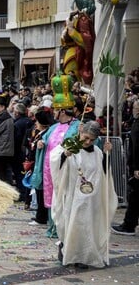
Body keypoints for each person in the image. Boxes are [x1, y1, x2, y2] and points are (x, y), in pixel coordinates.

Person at [50, 121, 117, 268]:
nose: (87, 142)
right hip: (72, 194)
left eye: (92, 140)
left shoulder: (97, 153)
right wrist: (64, 155)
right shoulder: (70, 147)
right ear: (80, 132)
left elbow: (104, 173)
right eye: (85, 137)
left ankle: (83, 255)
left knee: (86, 226)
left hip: (90, 197)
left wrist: (107, 155)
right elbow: (55, 159)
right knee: (71, 223)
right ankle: (67, 250)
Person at [30, 105, 81, 238]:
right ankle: (53, 226)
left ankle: (65, 229)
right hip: (49, 170)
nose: (53, 113)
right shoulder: (54, 127)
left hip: (65, 169)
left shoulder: (77, 126)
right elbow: (44, 139)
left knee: (64, 196)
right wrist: (41, 143)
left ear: (63, 111)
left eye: (56, 110)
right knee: (51, 197)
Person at [112, 87, 139, 235]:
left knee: (135, 196)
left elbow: (137, 148)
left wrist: (136, 167)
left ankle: (129, 225)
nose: (133, 110)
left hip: (136, 167)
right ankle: (129, 223)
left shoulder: (138, 125)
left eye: (135, 107)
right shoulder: (135, 123)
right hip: (134, 165)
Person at [27, 108, 55, 225]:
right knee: (38, 190)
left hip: (41, 165)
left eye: (37, 121)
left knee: (41, 191)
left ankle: (41, 217)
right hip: (36, 164)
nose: (35, 123)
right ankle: (40, 214)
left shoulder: (46, 134)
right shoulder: (39, 133)